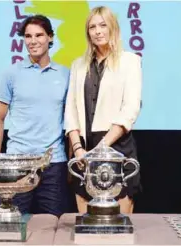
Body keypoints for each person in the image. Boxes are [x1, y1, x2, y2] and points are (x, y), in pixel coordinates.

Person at [0, 15, 69, 217]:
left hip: (53, 164)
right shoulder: (11, 74)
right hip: (17, 162)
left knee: (54, 227)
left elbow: (72, 123)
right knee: (7, 225)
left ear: (50, 37)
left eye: (39, 35)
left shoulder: (66, 74)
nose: (33, 41)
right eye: (28, 36)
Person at [64, 6, 142, 214]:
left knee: (120, 229)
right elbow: (70, 109)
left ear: (112, 28)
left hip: (117, 147)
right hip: (83, 149)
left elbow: (130, 108)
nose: (97, 31)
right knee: (85, 227)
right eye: (92, 27)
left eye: (102, 25)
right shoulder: (78, 65)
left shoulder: (130, 61)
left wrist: (101, 148)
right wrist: (78, 148)